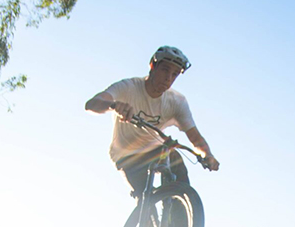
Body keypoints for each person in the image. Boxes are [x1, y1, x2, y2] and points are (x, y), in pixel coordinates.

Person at [85, 46, 219, 197]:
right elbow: (91, 104)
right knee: (143, 196)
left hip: (154, 150)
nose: (168, 78)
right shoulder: (128, 88)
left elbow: (195, 137)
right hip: (127, 155)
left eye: (174, 74)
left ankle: (178, 210)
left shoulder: (177, 102)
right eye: (165, 70)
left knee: (174, 157)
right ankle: (146, 214)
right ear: (152, 66)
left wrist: (208, 155)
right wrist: (113, 105)